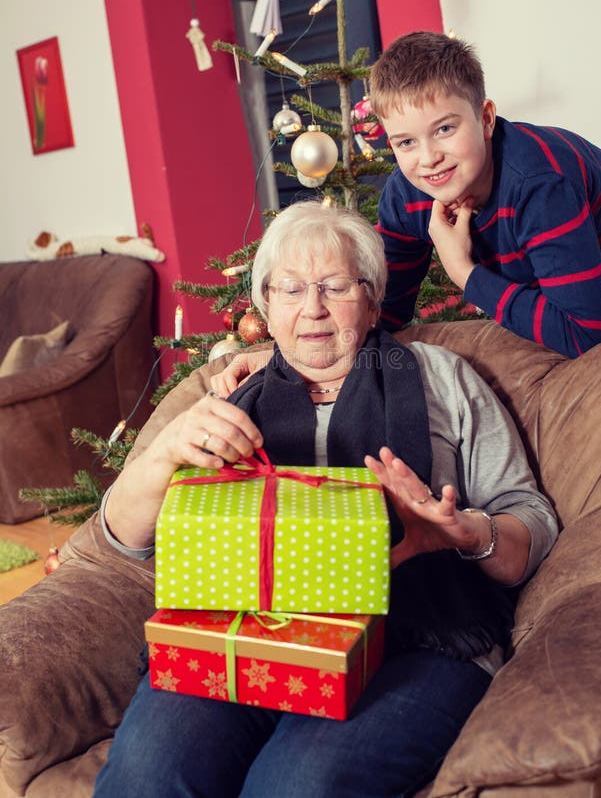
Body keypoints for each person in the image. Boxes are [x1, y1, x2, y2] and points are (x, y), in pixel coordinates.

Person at [94, 201, 557, 798]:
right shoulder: (231, 400)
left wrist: (465, 532)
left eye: (334, 287)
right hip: (247, 636)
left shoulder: (442, 377)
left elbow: (531, 519)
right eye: (289, 289)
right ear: (265, 305)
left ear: (371, 299)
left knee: (295, 784)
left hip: (418, 640)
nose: (311, 308)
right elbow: (122, 540)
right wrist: (159, 458)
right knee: (146, 776)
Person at [369, 30, 601, 359]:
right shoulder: (407, 194)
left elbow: (587, 334)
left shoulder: (539, 185)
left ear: (486, 118)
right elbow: (384, 314)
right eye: (406, 142)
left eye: (444, 129)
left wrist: (464, 271)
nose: (428, 158)